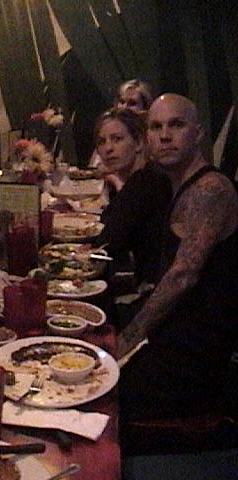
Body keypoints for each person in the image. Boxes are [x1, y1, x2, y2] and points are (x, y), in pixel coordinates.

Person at [117, 94, 238, 436]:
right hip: (177, 333)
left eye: (176, 125)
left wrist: (127, 340)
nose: (165, 135)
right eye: (156, 127)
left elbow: (183, 276)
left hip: (197, 354)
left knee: (101, 391)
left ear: (198, 133)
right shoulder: (180, 184)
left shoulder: (210, 188)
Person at [94, 108, 172, 287]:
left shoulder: (145, 181)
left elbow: (107, 242)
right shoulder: (142, 177)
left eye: (117, 139)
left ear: (138, 143)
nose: (108, 148)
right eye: (102, 141)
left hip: (151, 288)